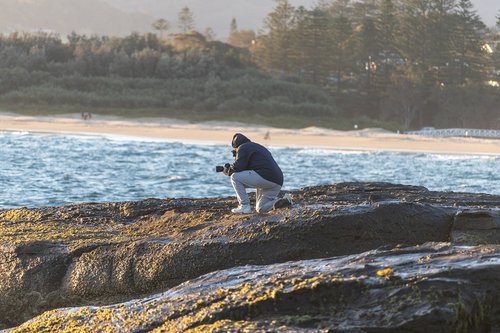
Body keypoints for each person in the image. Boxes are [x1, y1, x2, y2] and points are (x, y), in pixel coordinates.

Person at [223, 133, 293, 214]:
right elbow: (248, 168)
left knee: (235, 177)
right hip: (277, 180)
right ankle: (284, 201)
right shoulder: (257, 147)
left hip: (265, 176)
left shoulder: (243, 147)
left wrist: (228, 171)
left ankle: (244, 206)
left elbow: (237, 168)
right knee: (261, 208)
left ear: (236, 145)